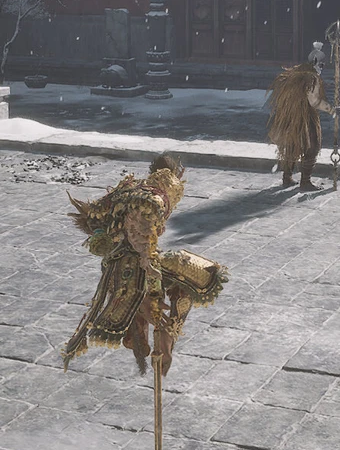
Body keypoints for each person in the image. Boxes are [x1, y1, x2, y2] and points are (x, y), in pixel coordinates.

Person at [63, 154, 225, 375]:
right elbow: (144, 242)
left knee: (177, 274)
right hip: (133, 263)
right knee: (203, 274)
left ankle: (155, 333)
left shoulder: (132, 188)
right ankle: (166, 337)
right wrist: (151, 272)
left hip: (118, 259)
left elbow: (100, 218)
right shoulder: (154, 201)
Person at [267, 42, 337, 191]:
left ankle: (287, 177)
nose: (322, 68)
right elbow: (314, 101)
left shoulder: (296, 73)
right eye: (322, 65)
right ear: (317, 63)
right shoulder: (311, 77)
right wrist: (332, 109)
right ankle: (305, 181)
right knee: (312, 147)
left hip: (289, 117)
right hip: (305, 118)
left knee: (292, 146)